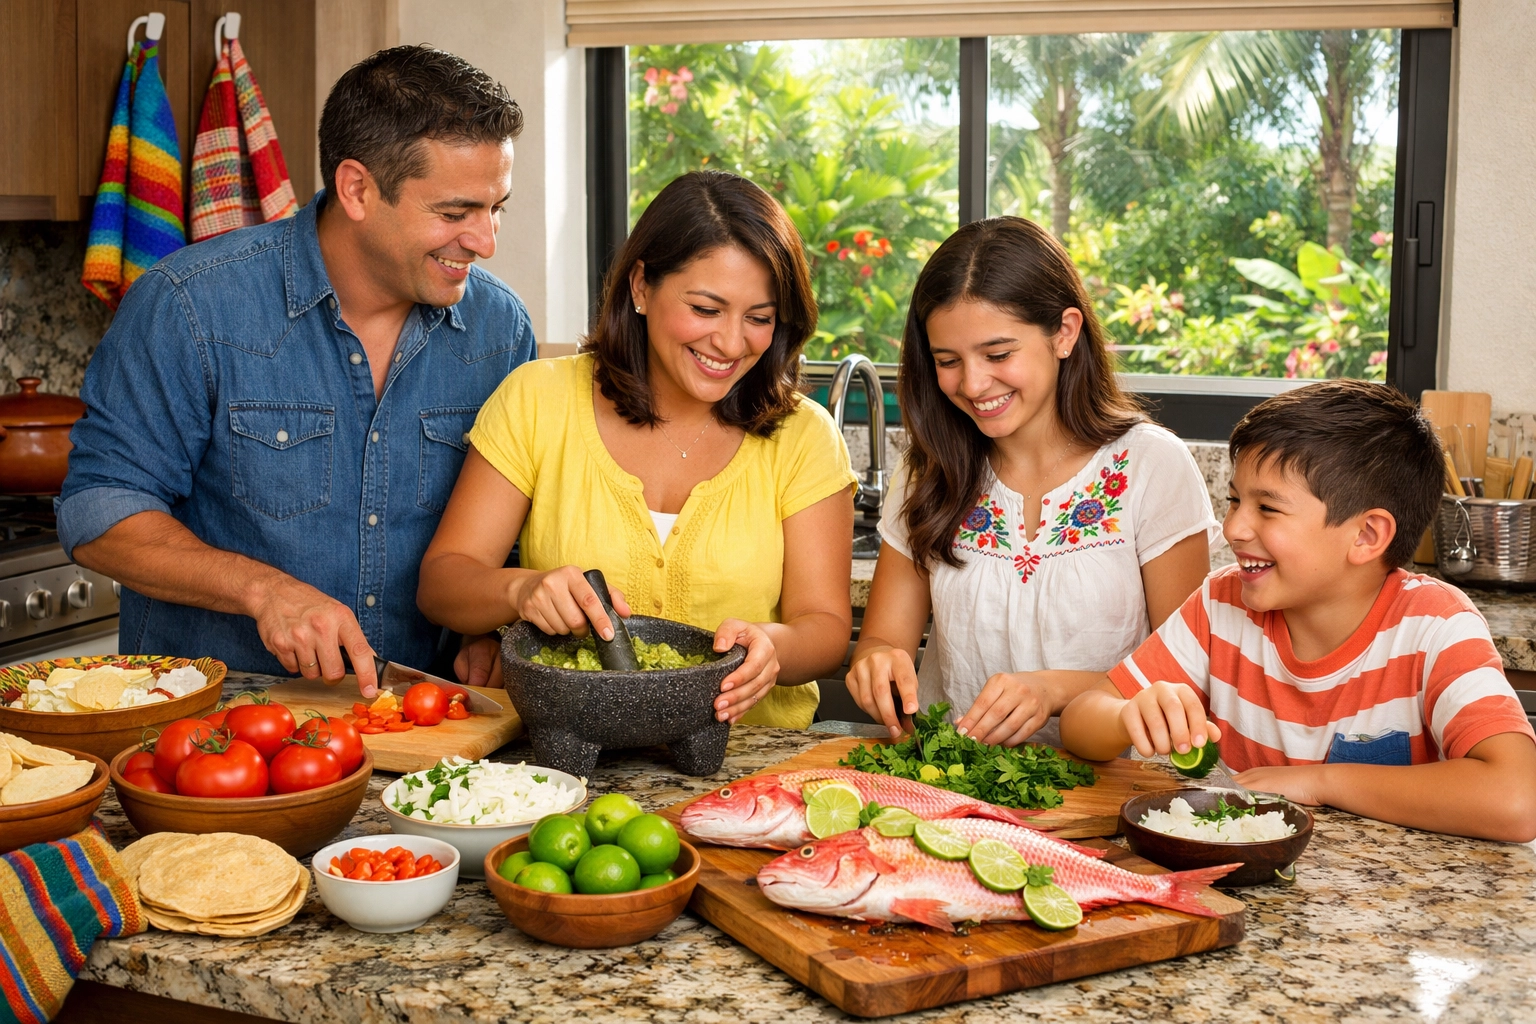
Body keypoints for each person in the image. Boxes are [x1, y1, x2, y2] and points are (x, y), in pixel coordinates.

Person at [57, 46, 535, 697]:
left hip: (425, 725)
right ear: (358, 188)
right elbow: (99, 513)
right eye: (455, 213)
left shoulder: (499, 331)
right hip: (221, 730)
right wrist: (263, 591)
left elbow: (506, 543)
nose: (486, 241)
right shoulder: (190, 305)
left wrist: (491, 629)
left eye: (497, 207)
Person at [418, 170, 857, 728]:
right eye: (705, 309)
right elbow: (443, 583)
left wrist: (773, 647)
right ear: (642, 286)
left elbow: (822, 628)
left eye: (759, 318)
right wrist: (522, 589)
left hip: (747, 774)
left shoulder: (804, 435)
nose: (730, 342)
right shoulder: (539, 399)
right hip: (564, 758)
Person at [1060, 381, 1536, 842]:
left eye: (1267, 508)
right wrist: (1127, 716)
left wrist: (1319, 782)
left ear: (1367, 536)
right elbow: (1082, 720)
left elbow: (1518, 799)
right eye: (1233, 500)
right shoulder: (1222, 604)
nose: (1233, 527)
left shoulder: (1435, 627)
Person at [846, 216, 1215, 746]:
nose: (973, 384)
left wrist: (1054, 690)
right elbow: (882, 638)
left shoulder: (1151, 467)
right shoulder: (929, 470)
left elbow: (1184, 675)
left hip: (1108, 795)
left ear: (1064, 333)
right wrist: (878, 661)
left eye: (998, 355)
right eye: (948, 361)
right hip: (948, 782)